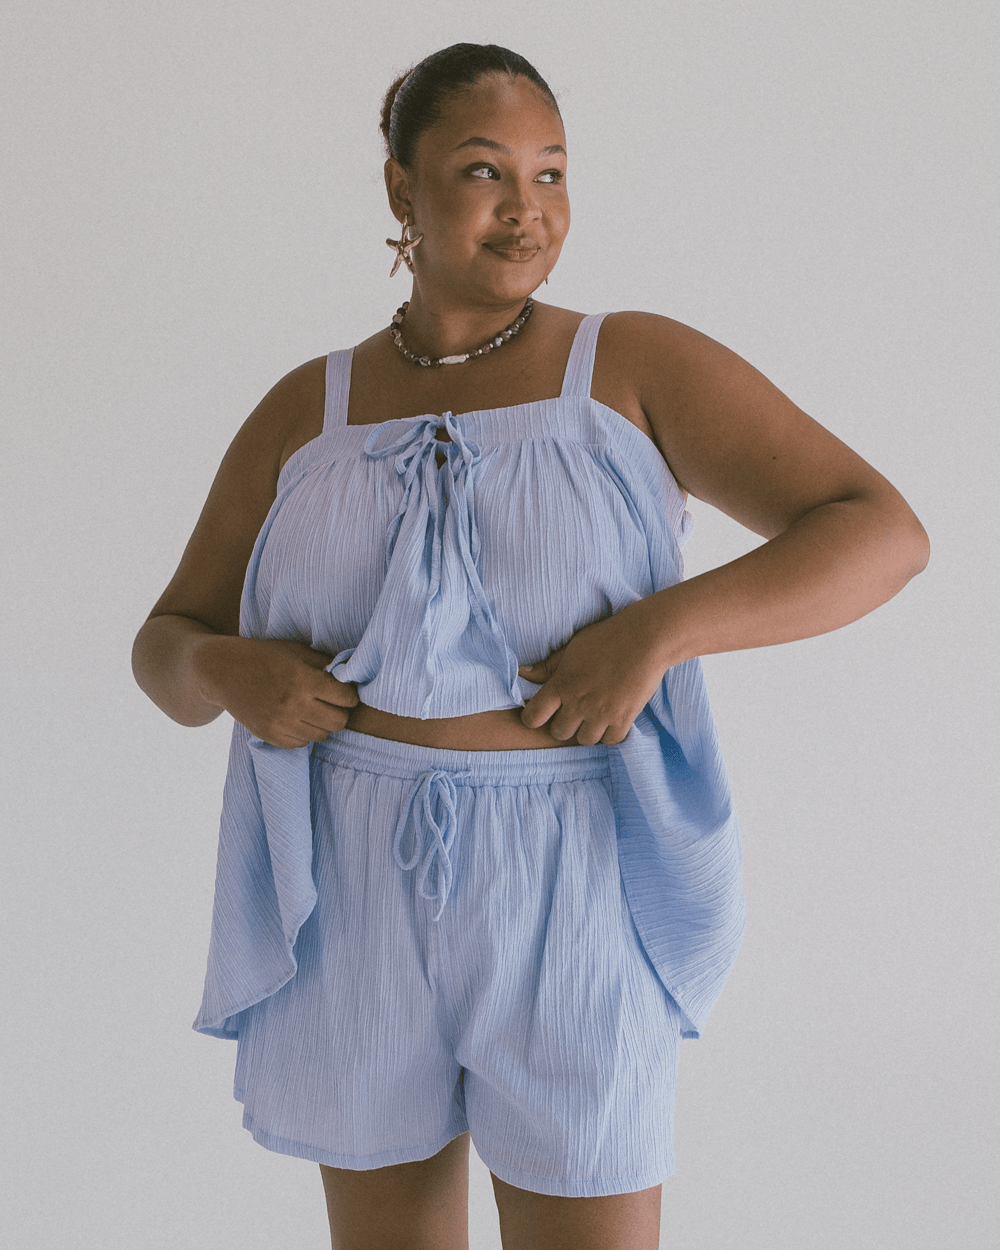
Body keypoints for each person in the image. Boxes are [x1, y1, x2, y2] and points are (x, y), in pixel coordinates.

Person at [130, 42, 929, 1250]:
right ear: (400, 189)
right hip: (352, 870)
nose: (528, 208)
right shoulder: (310, 407)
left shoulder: (632, 366)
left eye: (551, 172)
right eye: (483, 171)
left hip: (572, 866)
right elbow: (167, 641)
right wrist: (221, 669)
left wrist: (657, 631)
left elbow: (880, 533)